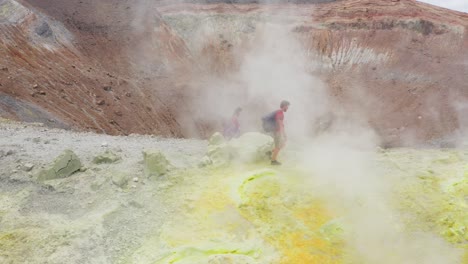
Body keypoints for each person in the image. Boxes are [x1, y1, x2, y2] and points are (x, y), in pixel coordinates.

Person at [262, 100, 290, 165]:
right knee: (278, 146)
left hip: (277, 131)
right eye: (287, 106)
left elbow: (281, 124)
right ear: (284, 106)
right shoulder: (280, 112)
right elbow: (279, 123)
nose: (288, 108)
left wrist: (283, 133)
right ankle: (273, 161)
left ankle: (270, 153)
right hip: (278, 132)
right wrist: (283, 133)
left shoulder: (279, 112)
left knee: (282, 144)